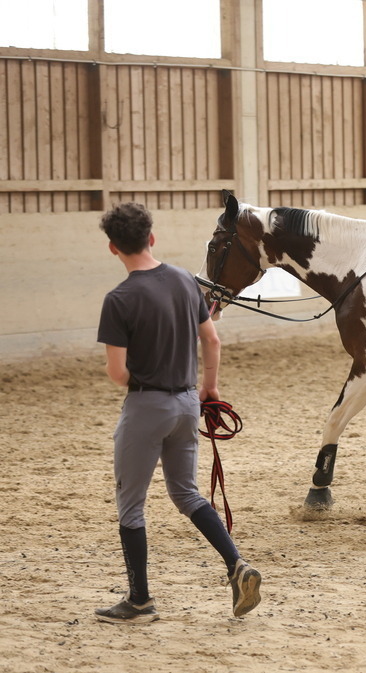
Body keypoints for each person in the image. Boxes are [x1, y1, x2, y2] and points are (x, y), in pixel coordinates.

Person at [95, 202, 261, 623]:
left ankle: (140, 600)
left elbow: (117, 374)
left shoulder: (119, 299)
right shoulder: (185, 280)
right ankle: (236, 565)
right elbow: (213, 340)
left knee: (131, 506)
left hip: (147, 406)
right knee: (186, 493)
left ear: (113, 248)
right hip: (188, 402)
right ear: (151, 238)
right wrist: (209, 387)